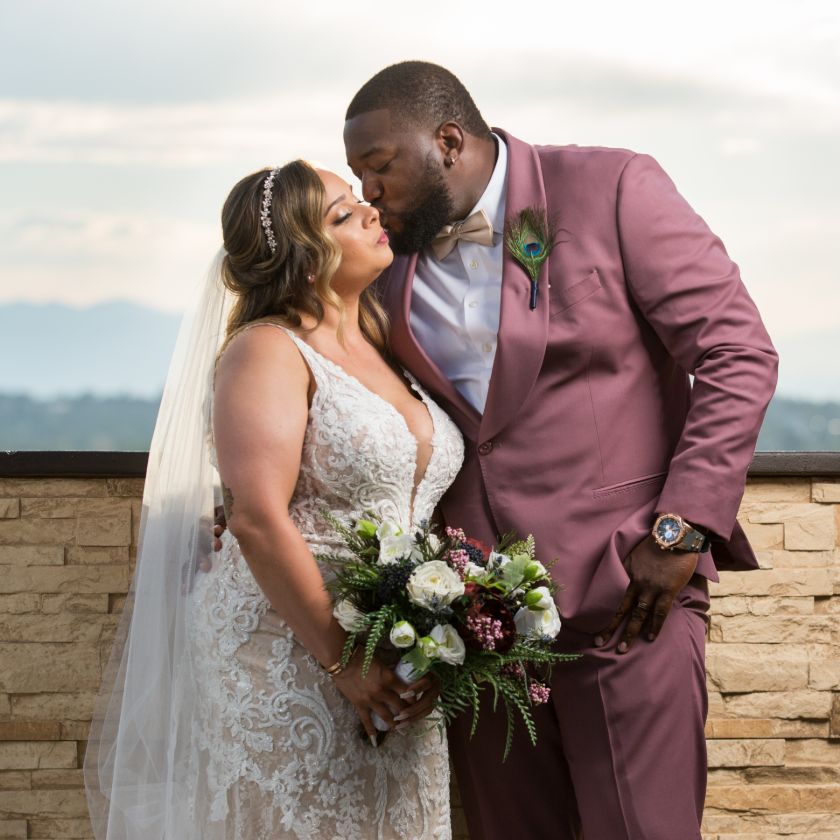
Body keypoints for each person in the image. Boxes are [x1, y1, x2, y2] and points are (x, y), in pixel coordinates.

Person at [341, 61, 779, 840]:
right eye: (357, 176)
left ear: (447, 142)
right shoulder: (383, 263)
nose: (368, 192)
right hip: (475, 627)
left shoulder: (612, 189)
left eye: (378, 167)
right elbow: (317, 375)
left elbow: (737, 351)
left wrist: (680, 529)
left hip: (627, 597)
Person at [84, 159, 464, 839]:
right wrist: (345, 661)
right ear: (305, 256)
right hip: (290, 648)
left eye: (358, 202)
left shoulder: (386, 344)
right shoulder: (266, 351)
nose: (373, 211)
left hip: (392, 643)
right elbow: (257, 516)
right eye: (344, 214)